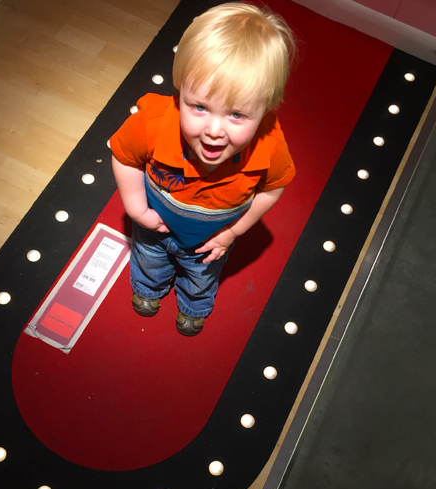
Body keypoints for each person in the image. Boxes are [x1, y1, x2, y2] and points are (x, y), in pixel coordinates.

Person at [110, 2, 296, 336]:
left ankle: (193, 307)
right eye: (199, 106)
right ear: (180, 90)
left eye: (237, 114)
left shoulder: (269, 144)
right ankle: (149, 289)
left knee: (202, 276)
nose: (214, 130)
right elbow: (124, 156)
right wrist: (137, 209)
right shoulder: (152, 123)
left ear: (266, 109)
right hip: (155, 225)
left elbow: (273, 187)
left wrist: (231, 233)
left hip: (210, 240)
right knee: (148, 259)